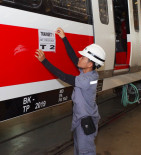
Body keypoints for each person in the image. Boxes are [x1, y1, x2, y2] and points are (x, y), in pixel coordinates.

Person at [35, 27, 106, 155]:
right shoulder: (87, 72)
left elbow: (64, 76)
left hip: (86, 120)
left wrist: (44, 61)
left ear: (90, 64)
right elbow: (74, 58)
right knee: (79, 150)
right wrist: (64, 38)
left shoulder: (87, 80)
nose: (80, 58)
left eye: (83, 57)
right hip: (81, 118)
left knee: (85, 151)